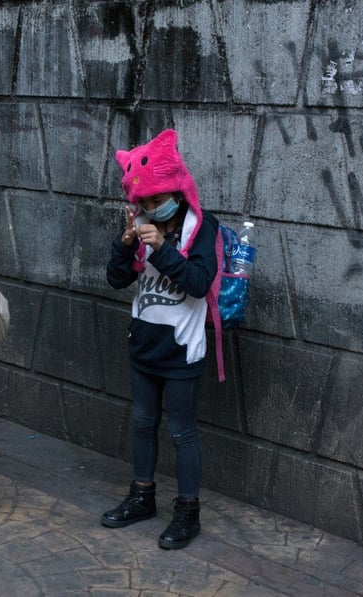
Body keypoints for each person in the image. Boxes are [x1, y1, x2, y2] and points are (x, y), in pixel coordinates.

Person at [102, 129, 219, 550]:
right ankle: (141, 497)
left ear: (176, 190)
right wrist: (125, 242)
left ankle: (187, 512)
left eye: (156, 200)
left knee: (182, 432)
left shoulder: (201, 229)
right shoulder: (141, 227)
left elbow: (200, 282)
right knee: (142, 423)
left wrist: (162, 250)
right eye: (143, 203)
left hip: (182, 352)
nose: (149, 209)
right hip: (143, 346)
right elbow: (117, 279)